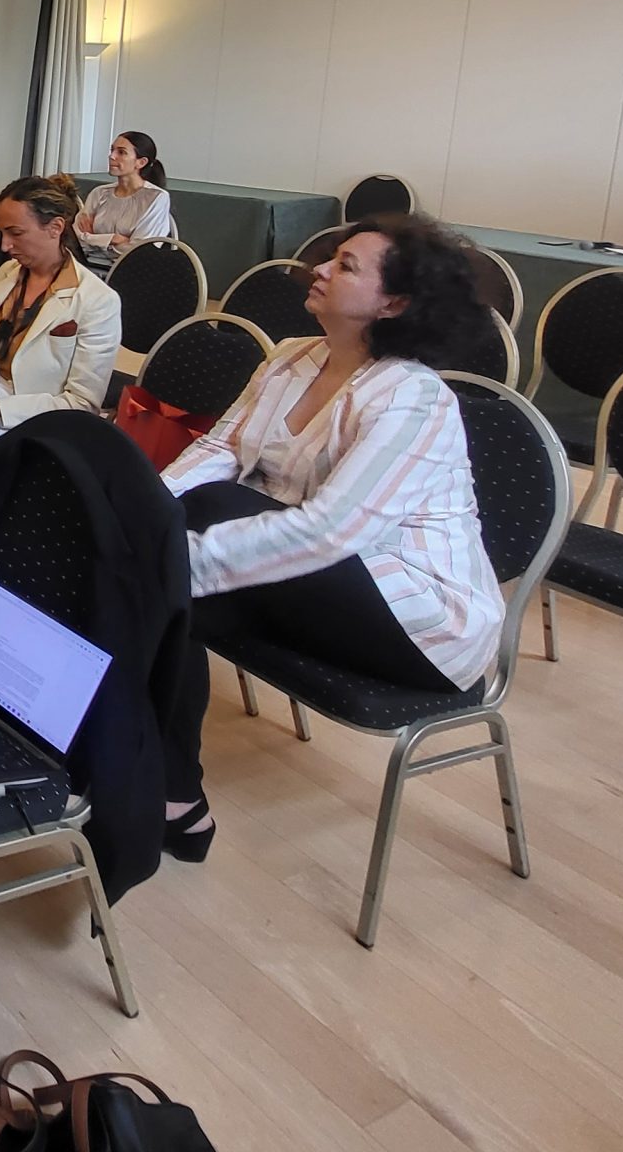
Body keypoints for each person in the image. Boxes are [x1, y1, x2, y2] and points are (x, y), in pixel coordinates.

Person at [155, 216, 502, 861]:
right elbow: (220, 448)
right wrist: (143, 514)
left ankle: (157, 788)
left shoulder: (413, 397)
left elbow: (329, 531)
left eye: (344, 266)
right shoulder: (292, 357)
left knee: (203, 526)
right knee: (168, 589)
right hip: (318, 576)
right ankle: (171, 797)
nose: (317, 269)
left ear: (393, 303)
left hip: (422, 619)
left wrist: (166, 557)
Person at [0, 175, 122, 464]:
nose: (4, 245)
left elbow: (81, 405)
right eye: (1, 233)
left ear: (55, 228)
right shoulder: (8, 274)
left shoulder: (97, 300)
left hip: (24, 420)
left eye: (15, 233)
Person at [77, 131, 173, 270]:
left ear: (141, 162)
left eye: (121, 152)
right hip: (89, 268)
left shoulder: (156, 197)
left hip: (130, 273)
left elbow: (140, 251)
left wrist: (94, 238)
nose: (112, 156)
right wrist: (114, 239)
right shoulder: (99, 193)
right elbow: (78, 239)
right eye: (112, 150)